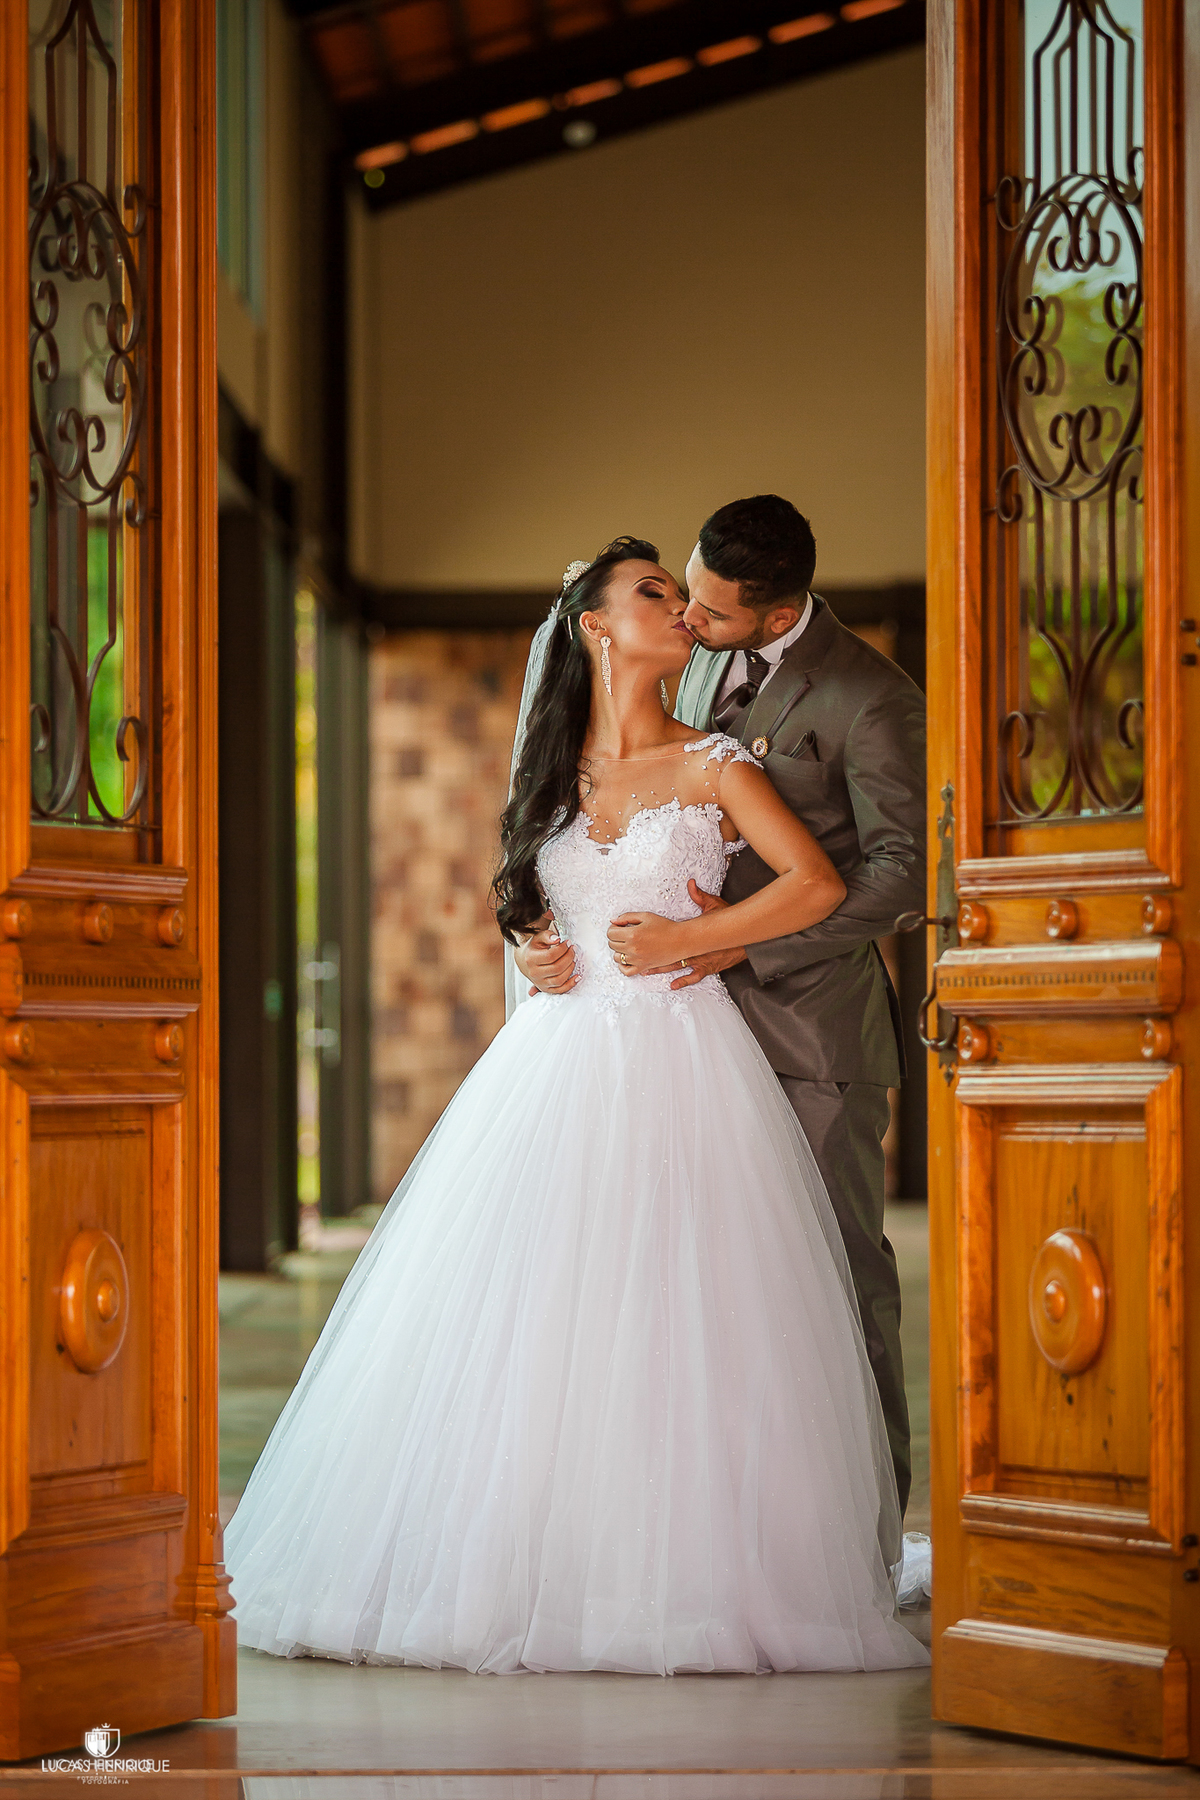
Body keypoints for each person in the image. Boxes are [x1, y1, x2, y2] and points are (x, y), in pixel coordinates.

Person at [224, 536, 928, 1676]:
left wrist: (696, 938)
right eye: (655, 593)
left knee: (699, 1316)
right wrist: (530, 942)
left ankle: (732, 1562)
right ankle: (524, 1556)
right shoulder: (552, 772)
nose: (682, 613)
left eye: (687, 593)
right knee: (537, 1312)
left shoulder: (715, 760)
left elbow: (822, 883)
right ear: (597, 628)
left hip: (690, 1061)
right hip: (554, 1068)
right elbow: (522, 888)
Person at [523, 499, 927, 1515]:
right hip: (675, 1039)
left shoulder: (871, 697)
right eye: (681, 596)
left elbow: (903, 874)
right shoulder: (680, 657)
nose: (691, 620)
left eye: (710, 609)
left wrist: (736, 938)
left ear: (775, 606)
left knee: (832, 1284)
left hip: (809, 1029)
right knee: (691, 1298)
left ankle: (859, 1533)